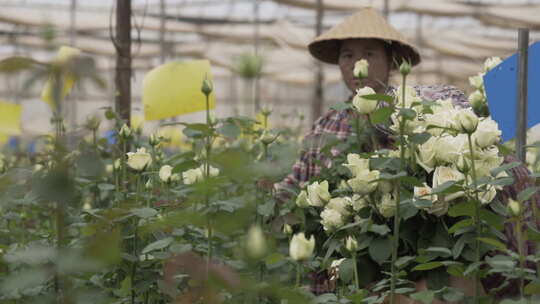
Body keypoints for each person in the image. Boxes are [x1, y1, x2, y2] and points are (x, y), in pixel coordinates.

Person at [273, 7, 539, 300]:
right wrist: (270, 199)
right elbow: (297, 188)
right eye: (347, 55)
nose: (355, 64)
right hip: (349, 267)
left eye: (369, 54)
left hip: (415, 270)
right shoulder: (327, 126)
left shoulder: (419, 111)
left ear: (392, 61)